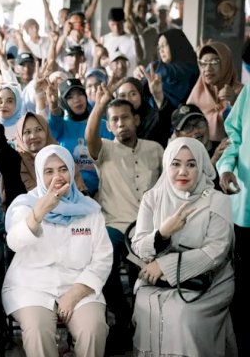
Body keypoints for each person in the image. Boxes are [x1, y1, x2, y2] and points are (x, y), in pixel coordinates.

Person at [2, 145, 112, 357]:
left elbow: (103, 257)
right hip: (31, 286)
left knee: (93, 329)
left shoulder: (89, 208)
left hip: (79, 285)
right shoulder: (25, 205)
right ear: (39, 174)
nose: (57, 176)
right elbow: (15, 241)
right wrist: (41, 210)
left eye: (63, 169)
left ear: (72, 170)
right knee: (37, 330)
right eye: (49, 171)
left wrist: (75, 293)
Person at [130, 137, 236, 356]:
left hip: (210, 283)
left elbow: (216, 252)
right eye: (175, 164)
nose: (183, 172)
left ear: (202, 166)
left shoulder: (217, 201)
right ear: (167, 165)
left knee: (183, 315)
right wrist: (163, 233)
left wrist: (164, 265)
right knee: (147, 308)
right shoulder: (153, 198)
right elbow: (139, 246)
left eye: (191, 164)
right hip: (156, 283)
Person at [85, 91, 164, 354]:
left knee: (142, 272)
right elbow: (90, 138)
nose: (120, 124)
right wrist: (98, 106)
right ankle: (122, 317)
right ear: (109, 125)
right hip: (115, 225)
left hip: (148, 227)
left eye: (125, 118)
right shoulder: (104, 149)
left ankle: (141, 324)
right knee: (102, 258)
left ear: (137, 120)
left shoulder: (155, 149)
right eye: (114, 120)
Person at [217, 84, 250, 355]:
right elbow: (234, 136)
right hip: (245, 205)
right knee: (243, 289)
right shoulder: (249, 91)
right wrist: (226, 167)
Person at [187, 41, 244, 145]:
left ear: (226, 63)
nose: (208, 68)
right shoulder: (197, 94)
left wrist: (235, 103)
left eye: (214, 62)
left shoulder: (242, 92)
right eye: (203, 63)